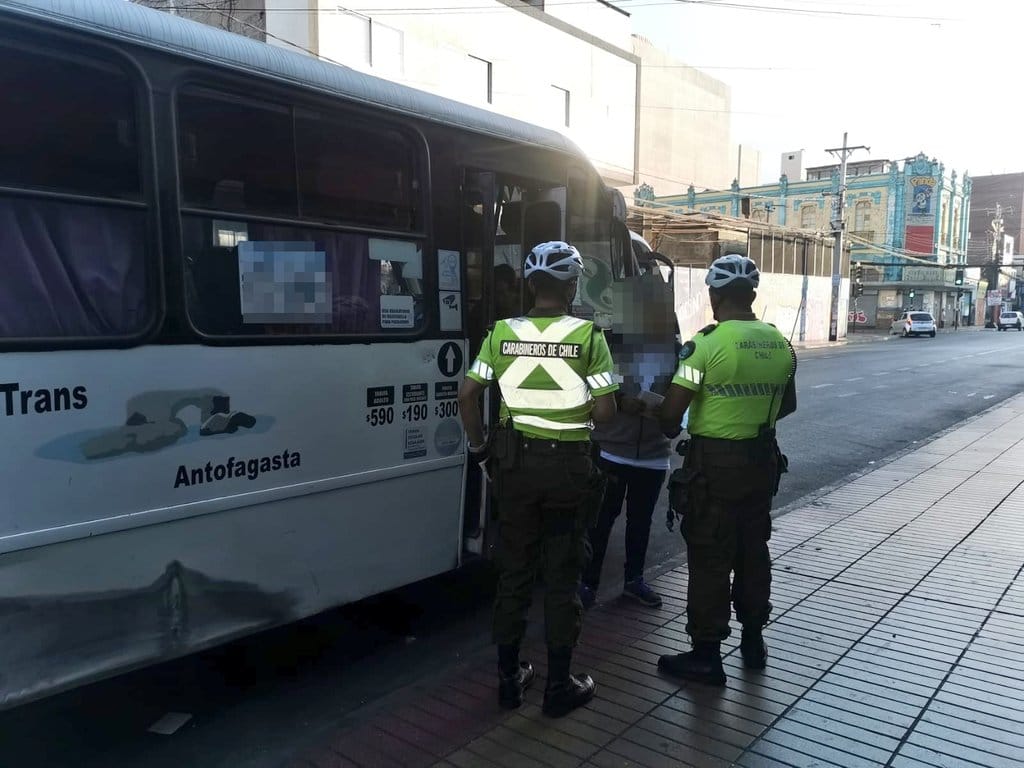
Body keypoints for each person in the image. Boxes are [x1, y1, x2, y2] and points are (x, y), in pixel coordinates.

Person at [458, 241, 618, 717]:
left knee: (515, 573)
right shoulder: (589, 337)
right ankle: (558, 686)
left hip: (514, 468)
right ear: (571, 287)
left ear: (530, 285)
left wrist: (482, 451)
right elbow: (606, 414)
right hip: (568, 469)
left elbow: (467, 397)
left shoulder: (500, 333)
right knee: (562, 575)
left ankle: (510, 680)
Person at [655, 254, 797, 686]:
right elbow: (787, 405)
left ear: (715, 297)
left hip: (714, 469)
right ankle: (753, 642)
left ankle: (706, 654)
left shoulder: (706, 345)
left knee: (710, 558)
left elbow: (668, 418)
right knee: (753, 552)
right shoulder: (779, 342)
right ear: (752, 296)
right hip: (761, 464)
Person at [580, 388, 670, 609]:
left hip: (654, 454)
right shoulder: (611, 351)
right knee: (600, 520)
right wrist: (619, 401)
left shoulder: (678, 353)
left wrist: (672, 415)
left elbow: (686, 394)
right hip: (611, 449)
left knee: (641, 522)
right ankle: (587, 584)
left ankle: (634, 580)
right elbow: (586, 386)